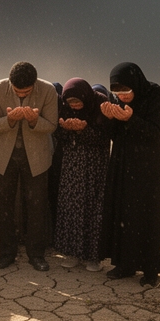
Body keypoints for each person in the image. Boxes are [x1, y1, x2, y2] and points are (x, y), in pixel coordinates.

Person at [99, 62, 160, 286]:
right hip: (123, 164)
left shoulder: (156, 95)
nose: (122, 96)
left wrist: (131, 119)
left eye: (126, 91)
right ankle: (125, 264)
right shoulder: (117, 101)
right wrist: (108, 119)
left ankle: (151, 270)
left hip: (149, 167)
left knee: (149, 215)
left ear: (136, 83)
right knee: (124, 213)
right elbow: (113, 135)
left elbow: (155, 133)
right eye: (117, 93)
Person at [0, 61, 57, 271]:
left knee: (37, 206)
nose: (21, 95)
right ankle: (6, 253)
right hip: (4, 157)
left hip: (37, 157)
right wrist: (9, 120)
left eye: (26, 92)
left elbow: (52, 125)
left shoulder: (48, 90)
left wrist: (34, 120)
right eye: (17, 91)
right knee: (4, 206)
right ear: (10, 83)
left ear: (34, 84)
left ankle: (36, 254)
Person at [54, 78, 110, 271]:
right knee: (71, 207)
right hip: (72, 168)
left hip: (95, 167)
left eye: (77, 101)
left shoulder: (100, 103)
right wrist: (68, 129)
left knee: (93, 209)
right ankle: (72, 253)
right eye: (71, 103)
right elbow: (58, 135)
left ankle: (93, 257)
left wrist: (84, 130)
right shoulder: (64, 108)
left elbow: (105, 136)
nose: (75, 106)